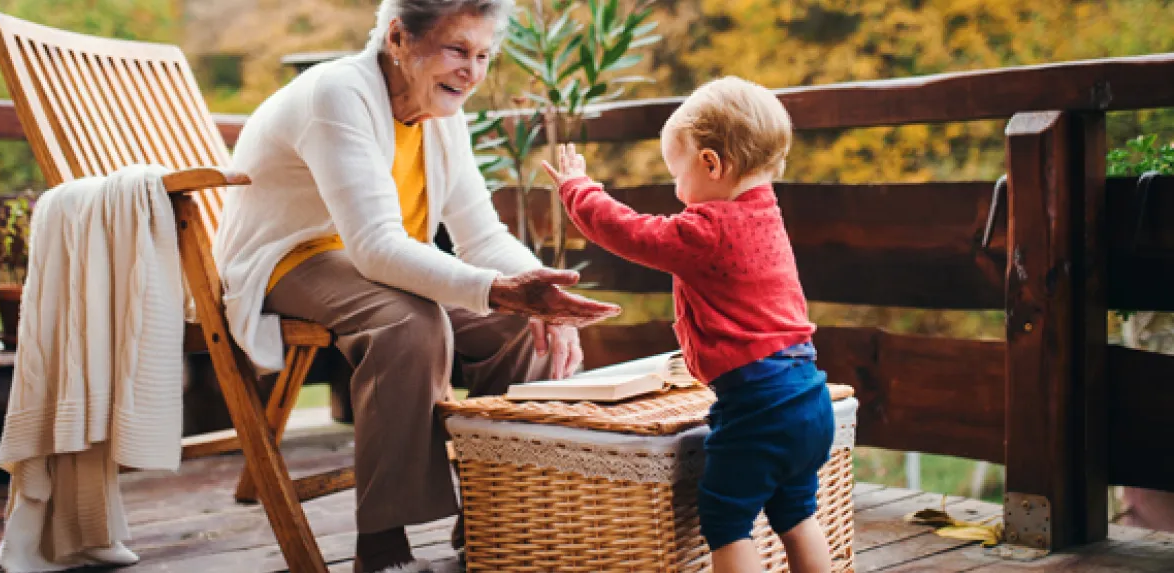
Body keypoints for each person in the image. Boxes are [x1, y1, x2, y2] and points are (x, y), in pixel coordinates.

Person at [212, 0, 620, 570]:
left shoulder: (440, 117)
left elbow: (483, 236)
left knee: (521, 329)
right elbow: (376, 246)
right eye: (457, 50)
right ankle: (381, 546)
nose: (472, 72)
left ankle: (497, 511)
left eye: (482, 55)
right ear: (400, 38)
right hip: (290, 257)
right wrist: (501, 289)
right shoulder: (337, 94)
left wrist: (542, 303)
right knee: (409, 322)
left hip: (378, 263)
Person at [542, 77, 835, 573]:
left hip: (757, 407)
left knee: (727, 522)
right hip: (809, 397)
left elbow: (629, 232)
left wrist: (578, 190)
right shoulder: (767, 215)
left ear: (711, 164)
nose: (677, 192)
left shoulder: (708, 229)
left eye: (676, 176)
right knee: (797, 513)